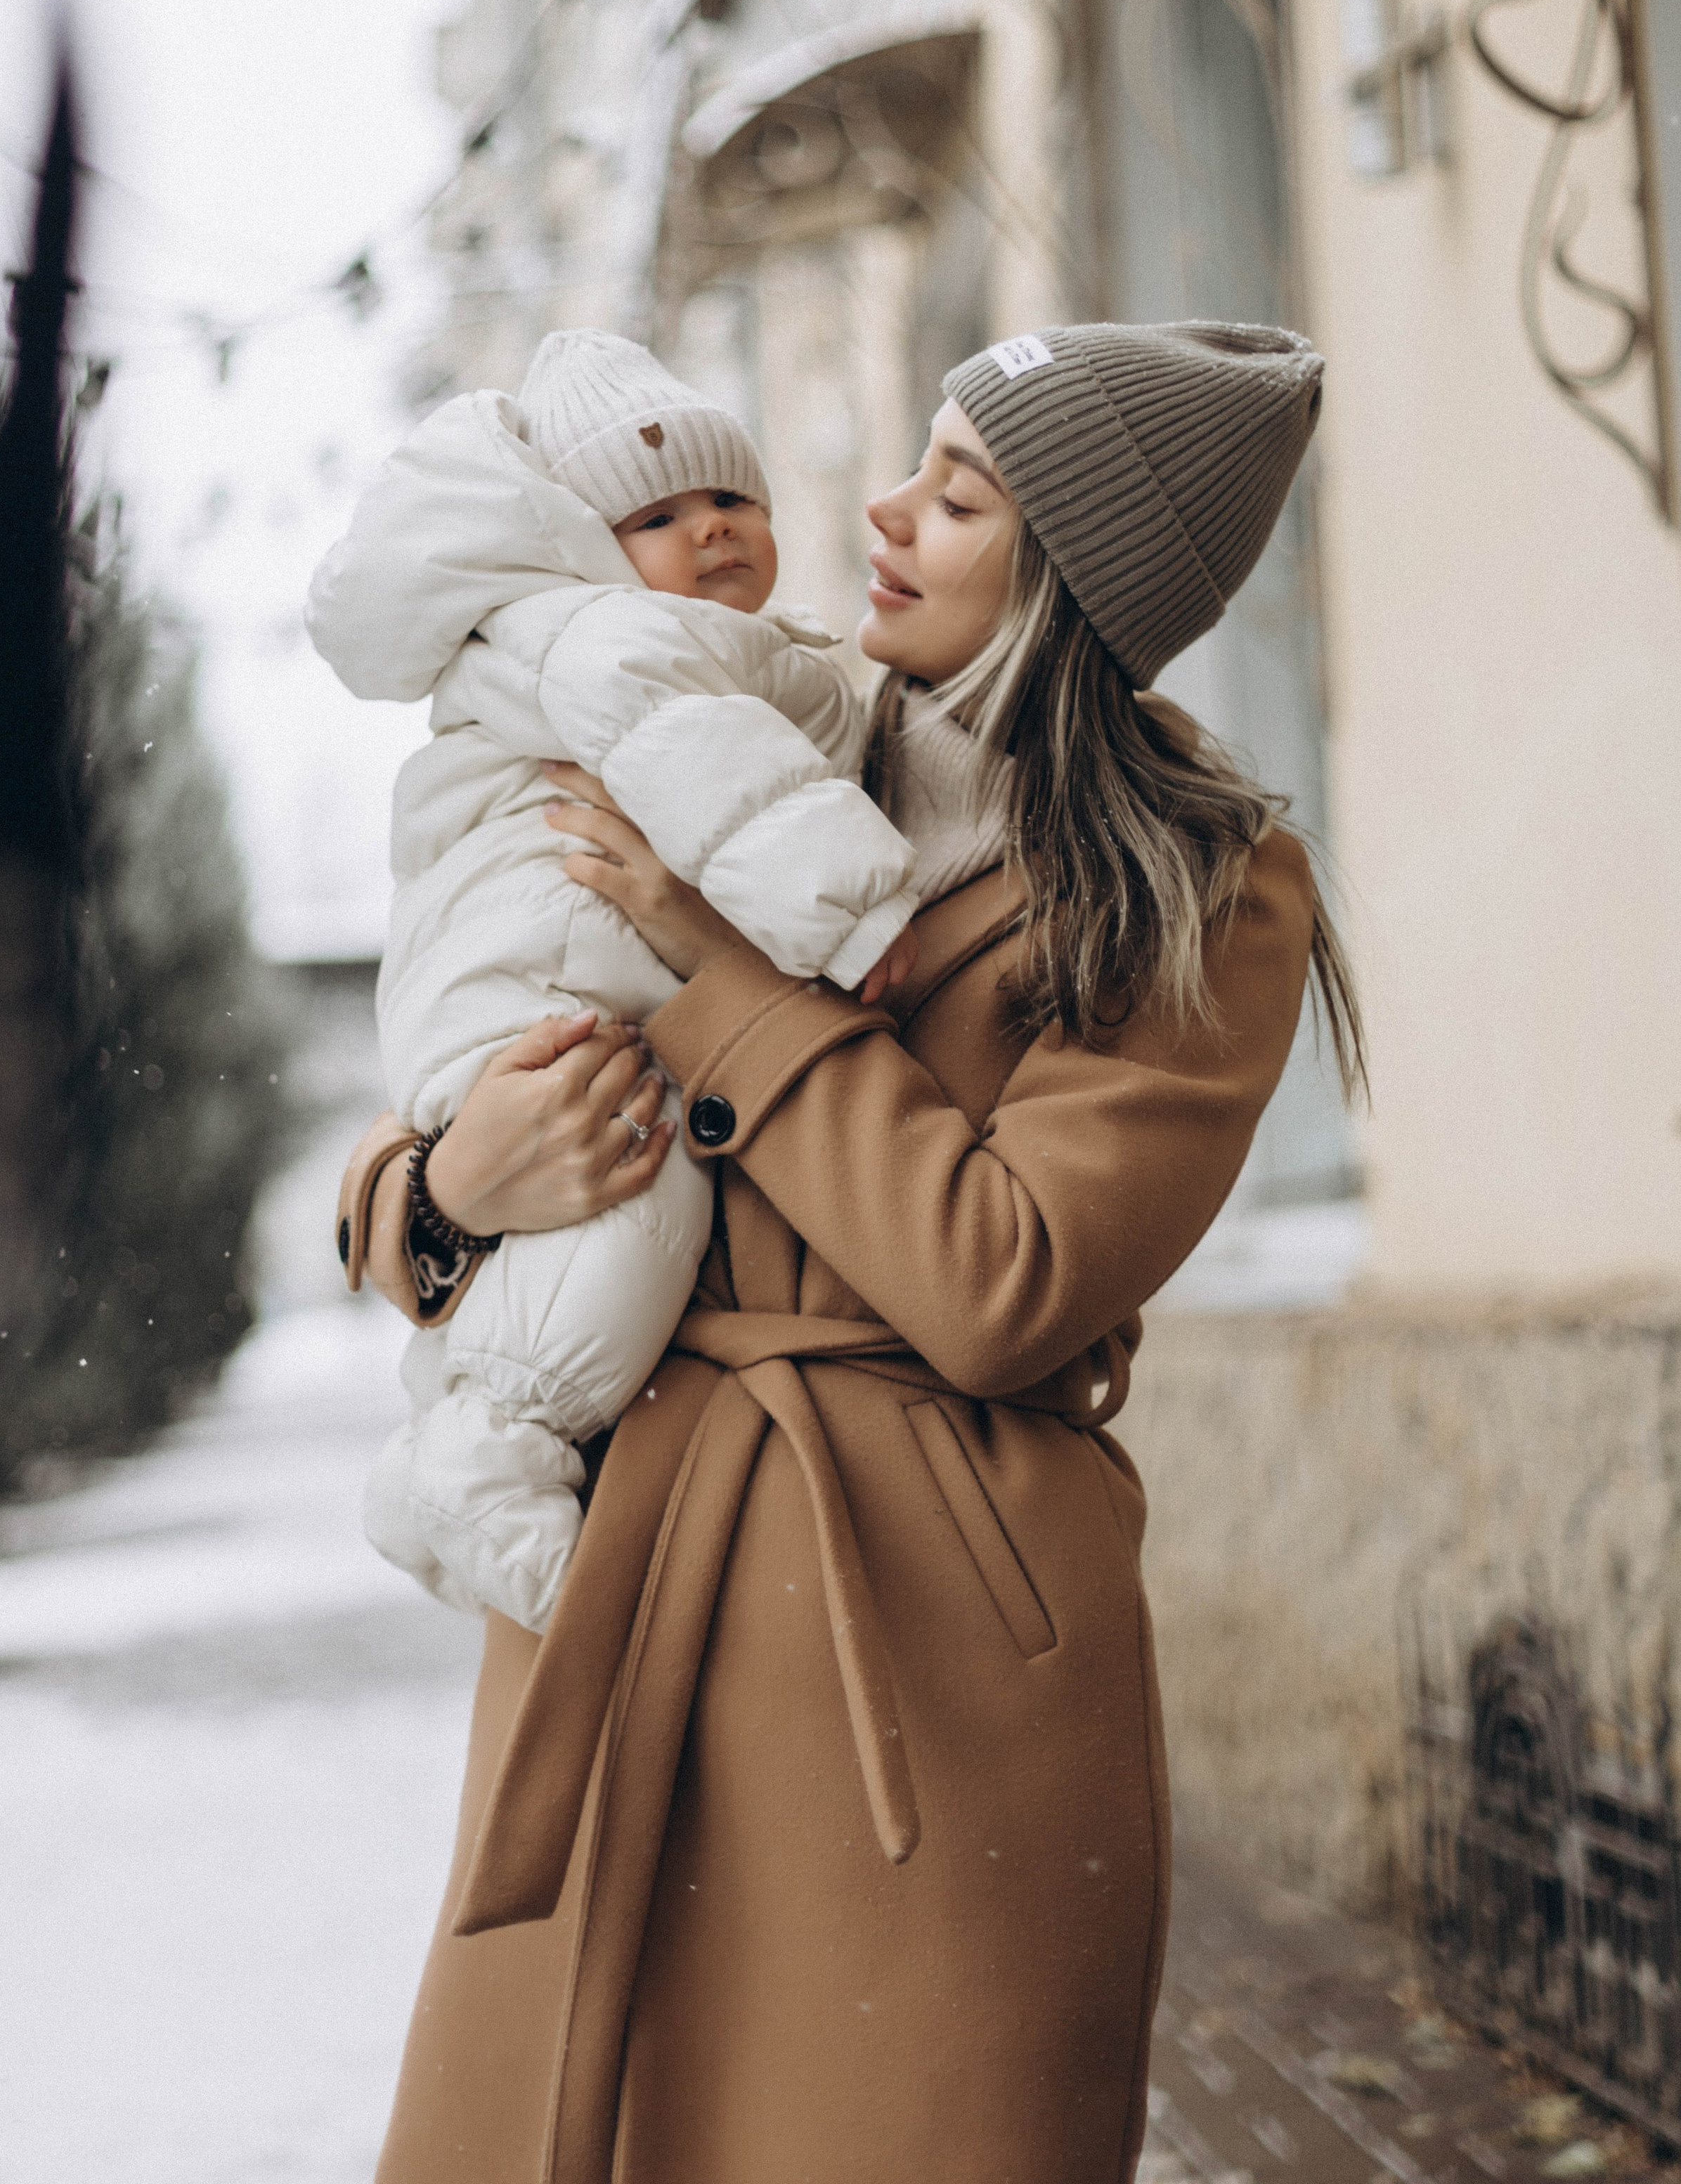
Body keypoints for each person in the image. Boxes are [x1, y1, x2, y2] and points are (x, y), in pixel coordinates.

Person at [339, 320, 1365, 2184]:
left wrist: (721, 979)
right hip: (625, 1594)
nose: (883, 511)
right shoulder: (736, 718)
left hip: (920, 1648)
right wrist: (445, 1188)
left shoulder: (1206, 887)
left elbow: (1003, 1281)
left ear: (1071, 574)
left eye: (962, 494)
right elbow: (482, 987)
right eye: (917, 461)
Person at [308, 329, 918, 1633]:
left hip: (549, 1017)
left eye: (732, 500)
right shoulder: (608, 640)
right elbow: (722, 779)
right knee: (638, 1194)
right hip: (537, 1001)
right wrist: (855, 912)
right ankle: (481, 1452)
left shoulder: (715, 651)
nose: (709, 533)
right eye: (657, 514)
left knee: (603, 1212)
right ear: (582, 542)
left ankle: (463, 1445)